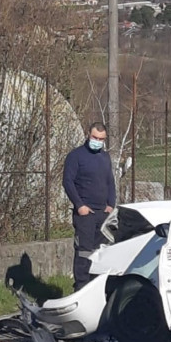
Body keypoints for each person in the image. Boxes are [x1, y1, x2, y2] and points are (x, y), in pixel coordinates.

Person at [63, 122, 116, 291]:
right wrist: (80, 206)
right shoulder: (76, 156)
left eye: (101, 139)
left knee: (102, 253)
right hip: (85, 214)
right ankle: (81, 288)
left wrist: (111, 205)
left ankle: (98, 288)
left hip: (103, 214)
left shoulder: (105, 157)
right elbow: (68, 182)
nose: (98, 141)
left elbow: (110, 181)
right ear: (88, 134)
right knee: (84, 252)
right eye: (95, 137)